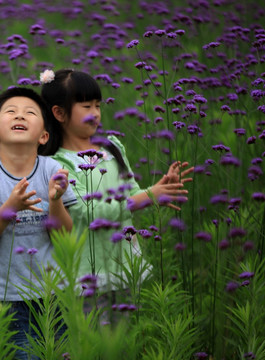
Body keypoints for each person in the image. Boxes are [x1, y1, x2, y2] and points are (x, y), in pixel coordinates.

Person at [40, 69, 194, 319]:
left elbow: (130, 193)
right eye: (86, 106)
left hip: (123, 266)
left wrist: (158, 190)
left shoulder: (112, 146)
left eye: (98, 106)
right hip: (85, 273)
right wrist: (147, 197)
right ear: (59, 113)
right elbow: (84, 212)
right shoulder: (56, 163)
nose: (96, 113)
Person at [0, 86, 78, 359]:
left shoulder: (51, 170)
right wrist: (10, 208)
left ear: (44, 136)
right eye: (10, 112)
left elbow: (65, 234)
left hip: (52, 296)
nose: (19, 116)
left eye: (30, 113)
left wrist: (56, 201)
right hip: (6, 299)